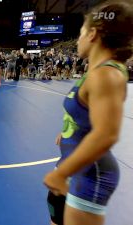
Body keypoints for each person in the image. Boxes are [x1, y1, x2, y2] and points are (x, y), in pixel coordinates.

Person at [43, 1, 133, 225]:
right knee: (55, 209)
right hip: (75, 163)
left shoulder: (106, 75)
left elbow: (106, 135)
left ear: (92, 34)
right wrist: (68, 132)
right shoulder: (96, 72)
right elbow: (87, 114)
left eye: (81, 33)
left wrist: (61, 174)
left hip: (91, 175)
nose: (79, 39)